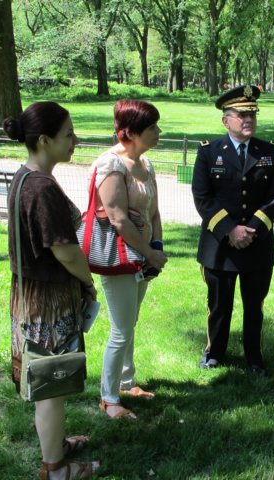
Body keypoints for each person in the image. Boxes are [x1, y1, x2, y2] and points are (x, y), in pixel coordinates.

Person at [5, 102, 99, 479]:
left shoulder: (24, 176)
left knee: (46, 380)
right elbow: (65, 251)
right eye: (68, 135)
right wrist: (89, 282)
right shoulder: (41, 187)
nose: (75, 141)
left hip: (29, 293)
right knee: (52, 386)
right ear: (44, 140)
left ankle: (55, 446)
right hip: (48, 300)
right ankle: (57, 469)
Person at [191, 85, 274, 374]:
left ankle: (254, 357)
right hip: (219, 246)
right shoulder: (209, 152)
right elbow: (202, 197)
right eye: (242, 115)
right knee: (219, 305)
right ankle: (214, 352)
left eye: (252, 115)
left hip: (256, 245)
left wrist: (251, 229)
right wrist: (230, 230)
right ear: (226, 120)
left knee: (254, 307)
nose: (248, 121)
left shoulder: (269, 152)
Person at [90, 99, 167, 420]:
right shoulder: (110, 165)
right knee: (121, 330)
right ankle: (109, 399)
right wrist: (149, 253)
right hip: (120, 258)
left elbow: (154, 211)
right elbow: (118, 218)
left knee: (129, 324)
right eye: (152, 128)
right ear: (131, 132)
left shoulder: (145, 165)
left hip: (144, 258)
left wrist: (156, 246)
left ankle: (126, 383)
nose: (159, 132)